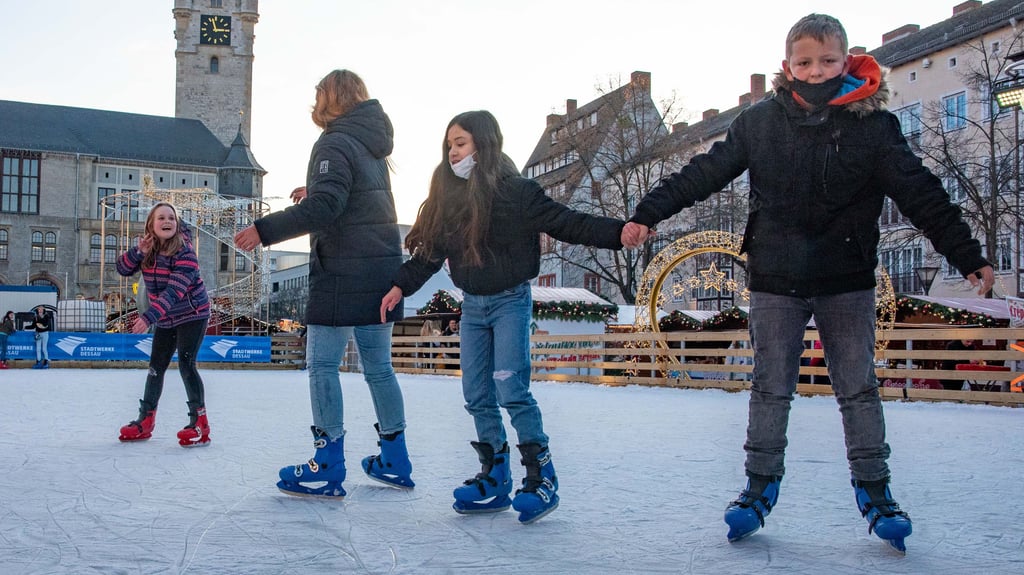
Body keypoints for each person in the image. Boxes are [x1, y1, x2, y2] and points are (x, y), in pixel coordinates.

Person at [620, 14, 995, 552]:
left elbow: (921, 193)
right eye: (804, 62)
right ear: (786, 66)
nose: (815, 73)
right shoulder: (760, 123)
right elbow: (703, 172)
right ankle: (757, 487)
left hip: (846, 280)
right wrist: (649, 212)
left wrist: (967, 255)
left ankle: (876, 490)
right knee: (771, 387)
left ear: (846, 62)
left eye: (826, 62)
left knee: (857, 388)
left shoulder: (873, 126)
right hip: (775, 278)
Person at [380, 110, 625, 524]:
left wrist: (619, 232)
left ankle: (540, 475)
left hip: (511, 300)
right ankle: (494, 475)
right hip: (473, 305)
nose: (453, 152)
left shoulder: (518, 193)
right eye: (449, 145)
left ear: (484, 143)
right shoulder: (452, 200)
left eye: (460, 143)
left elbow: (569, 223)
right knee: (477, 395)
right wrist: (401, 285)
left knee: (511, 388)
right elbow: (429, 254)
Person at [234, 69, 413, 497]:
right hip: (380, 271)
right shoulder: (371, 142)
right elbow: (354, 199)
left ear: (330, 98)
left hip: (343, 274)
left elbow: (330, 206)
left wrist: (265, 229)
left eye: (318, 95)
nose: (314, 104)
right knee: (379, 369)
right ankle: (395, 457)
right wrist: (312, 189)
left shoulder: (333, 140)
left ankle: (328, 462)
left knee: (322, 366)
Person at [116, 202, 213, 447]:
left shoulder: (186, 253)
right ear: (152, 225)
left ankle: (199, 424)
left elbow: (173, 293)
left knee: (186, 364)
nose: (167, 221)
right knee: (155, 367)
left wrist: (148, 317)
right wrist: (138, 252)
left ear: (177, 224)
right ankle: (145, 420)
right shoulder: (147, 251)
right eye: (161, 217)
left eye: (171, 217)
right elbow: (122, 268)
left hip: (192, 313)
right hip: (166, 317)